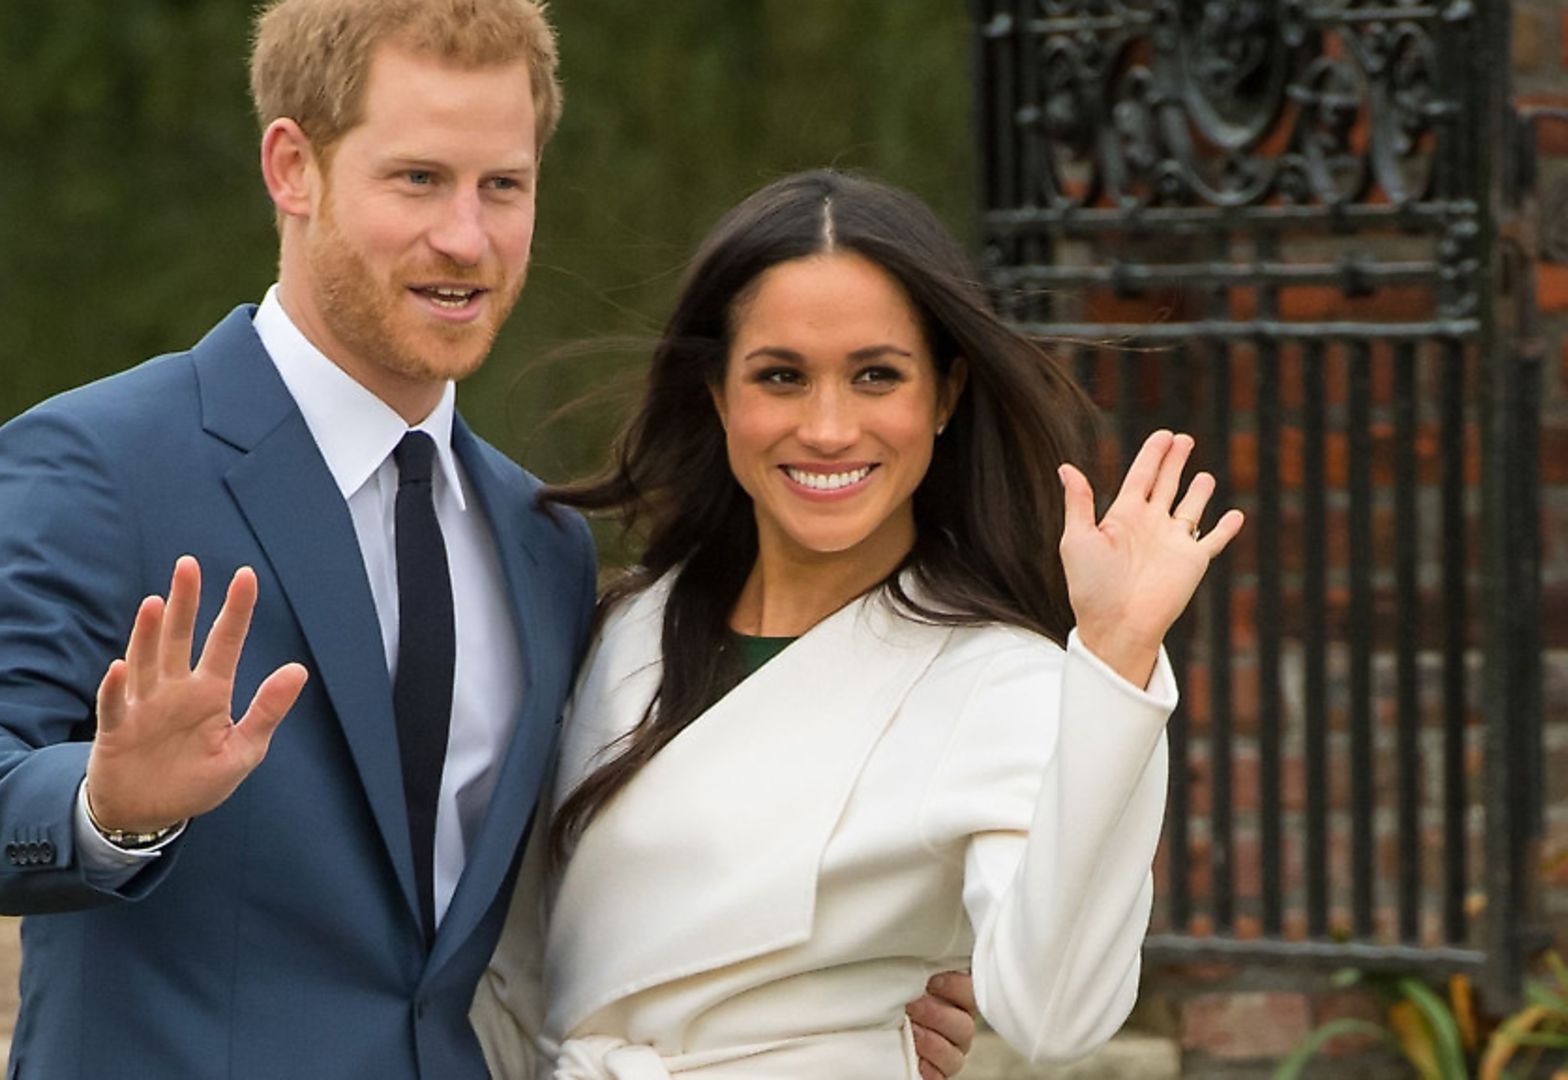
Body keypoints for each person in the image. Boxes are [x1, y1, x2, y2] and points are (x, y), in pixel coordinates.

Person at [0, 4, 978, 1077]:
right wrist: (107, 806)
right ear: (292, 167)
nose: (467, 237)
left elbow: (564, 905)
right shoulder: (99, 462)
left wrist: (830, 1000)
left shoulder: (537, 540)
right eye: (418, 180)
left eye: (504, 186)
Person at [471, 170, 1244, 1078]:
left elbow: (1056, 1016)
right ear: (719, 394)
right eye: (782, 377)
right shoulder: (614, 629)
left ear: (945, 396)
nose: (829, 427)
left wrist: (1115, 659)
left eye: (877, 375)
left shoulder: (1000, 685)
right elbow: (500, 960)